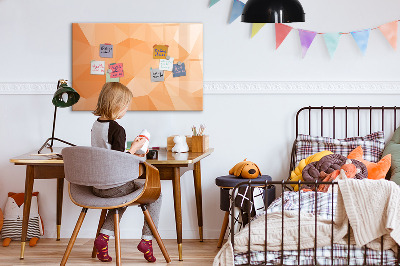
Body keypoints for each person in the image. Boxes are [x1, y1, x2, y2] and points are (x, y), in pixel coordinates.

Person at [91, 82, 161, 263]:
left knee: (121, 197)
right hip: (114, 186)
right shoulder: (117, 129)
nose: (126, 109)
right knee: (156, 194)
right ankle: (147, 240)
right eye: (126, 106)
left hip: (97, 186)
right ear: (117, 105)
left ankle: (103, 238)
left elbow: (108, 154)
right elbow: (119, 161)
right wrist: (136, 148)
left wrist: (130, 149)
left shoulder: (96, 125)